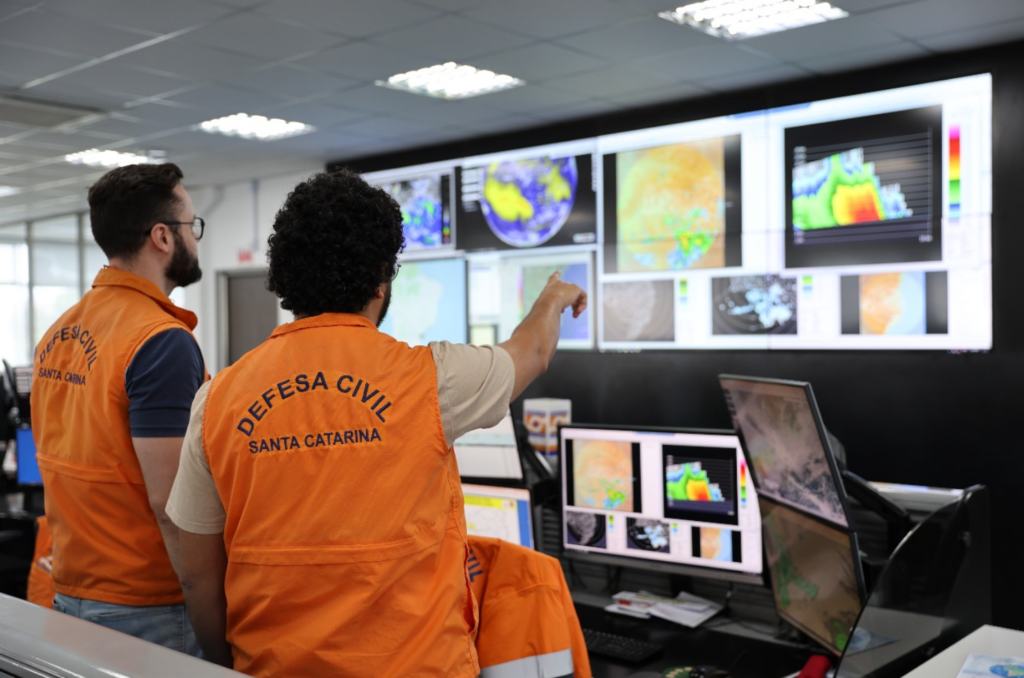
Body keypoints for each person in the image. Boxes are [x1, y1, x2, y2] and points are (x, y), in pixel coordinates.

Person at [166, 168, 586, 678]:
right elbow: (533, 351)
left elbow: (197, 577)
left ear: (285, 277)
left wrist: (228, 666)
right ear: (381, 279)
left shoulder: (217, 401)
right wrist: (552, 298)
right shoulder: (434, 378)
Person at [30, 163, 206, 655]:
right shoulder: (160, 341)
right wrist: (207, 603)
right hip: (149, 604)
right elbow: (170, 504)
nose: (196, 237)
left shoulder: (59, 332)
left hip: (72, 589)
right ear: (163, 237)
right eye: (191, 225)